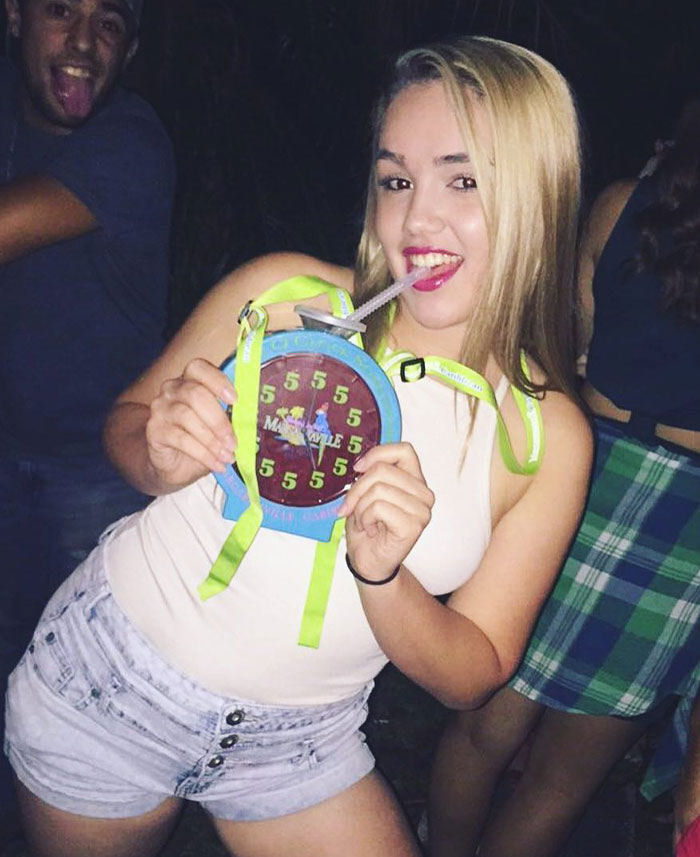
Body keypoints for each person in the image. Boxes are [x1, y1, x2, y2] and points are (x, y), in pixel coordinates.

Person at [4, 36, 591, 857]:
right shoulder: (284, 298)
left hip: (300, 742)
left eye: (463, 180)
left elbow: (476, 669)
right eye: (396, 180)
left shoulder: (544, 436)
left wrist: (382, 576)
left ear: (540, 193)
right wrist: (159, 451)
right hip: (113, 676)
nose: (417, 219)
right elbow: (127, 424)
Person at [427, 99, 700, 857]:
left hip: (579, 474)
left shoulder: (622, 206)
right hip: (684, 524)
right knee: (558, 781)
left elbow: (570, 345)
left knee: (480, 730)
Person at [0, 0, 175, 841]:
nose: (81, 41)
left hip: (96, 476)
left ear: (129, 49)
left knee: (87, 696)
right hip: (7, 449)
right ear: (14, 17)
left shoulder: (132, 142)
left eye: (108, 24)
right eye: (62, 10)